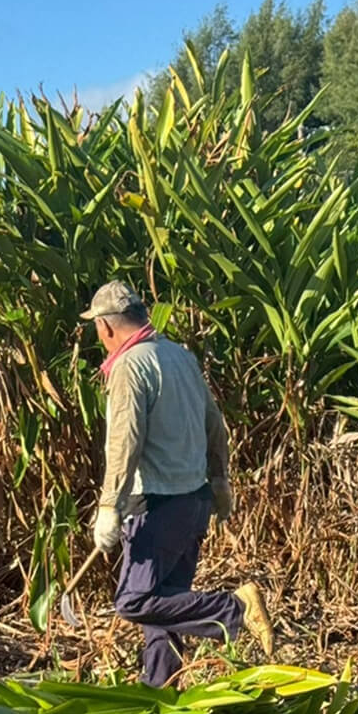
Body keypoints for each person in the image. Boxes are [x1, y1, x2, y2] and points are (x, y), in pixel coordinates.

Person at [81, 280, 274, 686]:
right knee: (165, 605)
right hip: (193, 500)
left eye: (97, 328)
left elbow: (125, 440)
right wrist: (219, 480)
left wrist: (109, 505)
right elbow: (214, 423)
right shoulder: (180, 357)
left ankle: (235, 609)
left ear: (105, 326)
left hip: (157, 503)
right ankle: (161, 690)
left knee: (135, 600)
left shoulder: (129, 366)